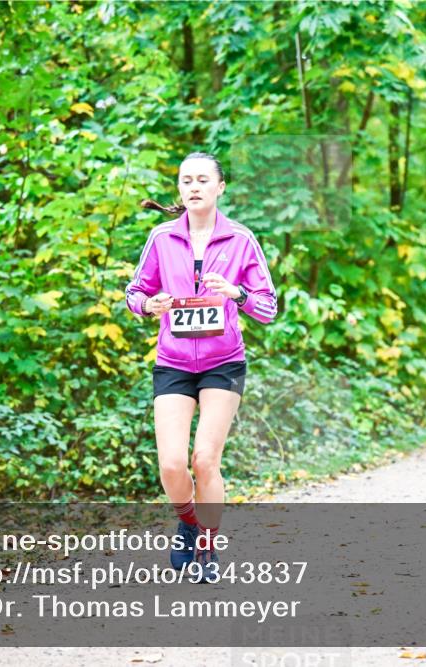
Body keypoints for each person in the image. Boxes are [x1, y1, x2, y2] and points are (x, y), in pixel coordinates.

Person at [125, 152, 277, 582]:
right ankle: (189, 523)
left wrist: (236, 293)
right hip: (173, 362)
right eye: (186, 180)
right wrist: (147, 305)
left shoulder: (241, 240)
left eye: (202, 180)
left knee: (204, 459)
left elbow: (268, 307)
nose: (194, 187)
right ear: (179, 188)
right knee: (172, 465)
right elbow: (135, 291)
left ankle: (208, 546)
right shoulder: (161, 238)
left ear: (219, 187)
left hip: (223, 364)